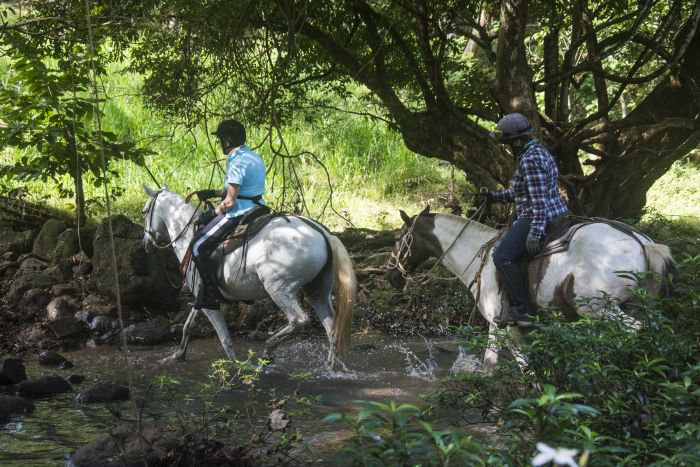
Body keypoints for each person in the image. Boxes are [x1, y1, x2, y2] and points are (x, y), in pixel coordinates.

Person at [482, 113, 568, 328]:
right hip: (550, 211)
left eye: (509, 144)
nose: (508, 148)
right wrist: (494, 197)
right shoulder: (538, 152)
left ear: (518, 141)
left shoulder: (531, 160)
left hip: (537, 216)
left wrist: (535, 233)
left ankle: (523, 310)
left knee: (502, 257)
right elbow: (521, 192)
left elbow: (539, 203)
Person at [189, 119, 267, 310]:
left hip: (239, 211)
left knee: (198, 246)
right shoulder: (253, 157)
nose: (220, 144)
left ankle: (210, 294)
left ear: (228, 140)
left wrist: (212, 212)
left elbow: (230, 201)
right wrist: (212, 193)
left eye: (221, 139)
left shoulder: (237, 161)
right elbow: (243, 188)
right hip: (258, 207)